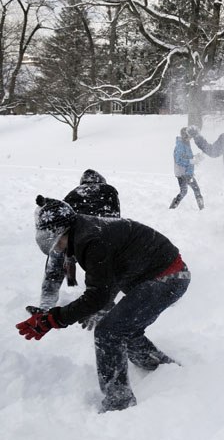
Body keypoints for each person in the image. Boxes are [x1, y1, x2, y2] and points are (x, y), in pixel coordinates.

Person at [16, 196, 190, 413]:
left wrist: (54, 318)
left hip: (168, 277)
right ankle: (160, 367)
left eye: (55, 239)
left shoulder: (90, 240)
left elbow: (97, 294)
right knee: (123, 328)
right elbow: (106, 280)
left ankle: (119, 402)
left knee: (108, 332)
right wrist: (94, 306)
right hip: (156, 276)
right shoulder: (82, 231)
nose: (56, 247)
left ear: (63, 230)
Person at [38, 170, 123, 311]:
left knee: (55, 264)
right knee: (101, 269)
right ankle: (102, 303)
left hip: (69, 236)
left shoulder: (74, 192)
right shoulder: (110, 191)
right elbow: (115, 219)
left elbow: (63, 218)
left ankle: (46, 304)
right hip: (97, 237)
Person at [170, 127, 204, 210]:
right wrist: (192, 161)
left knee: (190, 191)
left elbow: (187, 157)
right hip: (183, 173)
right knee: (186, 191)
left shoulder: (186, 144)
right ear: (185, 136)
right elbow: (179, 160)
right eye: (189, 136)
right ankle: (172, 208)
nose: (191, 138)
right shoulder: (180, 145)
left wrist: (196, 157)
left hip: (188, 173)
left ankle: (202, 208)